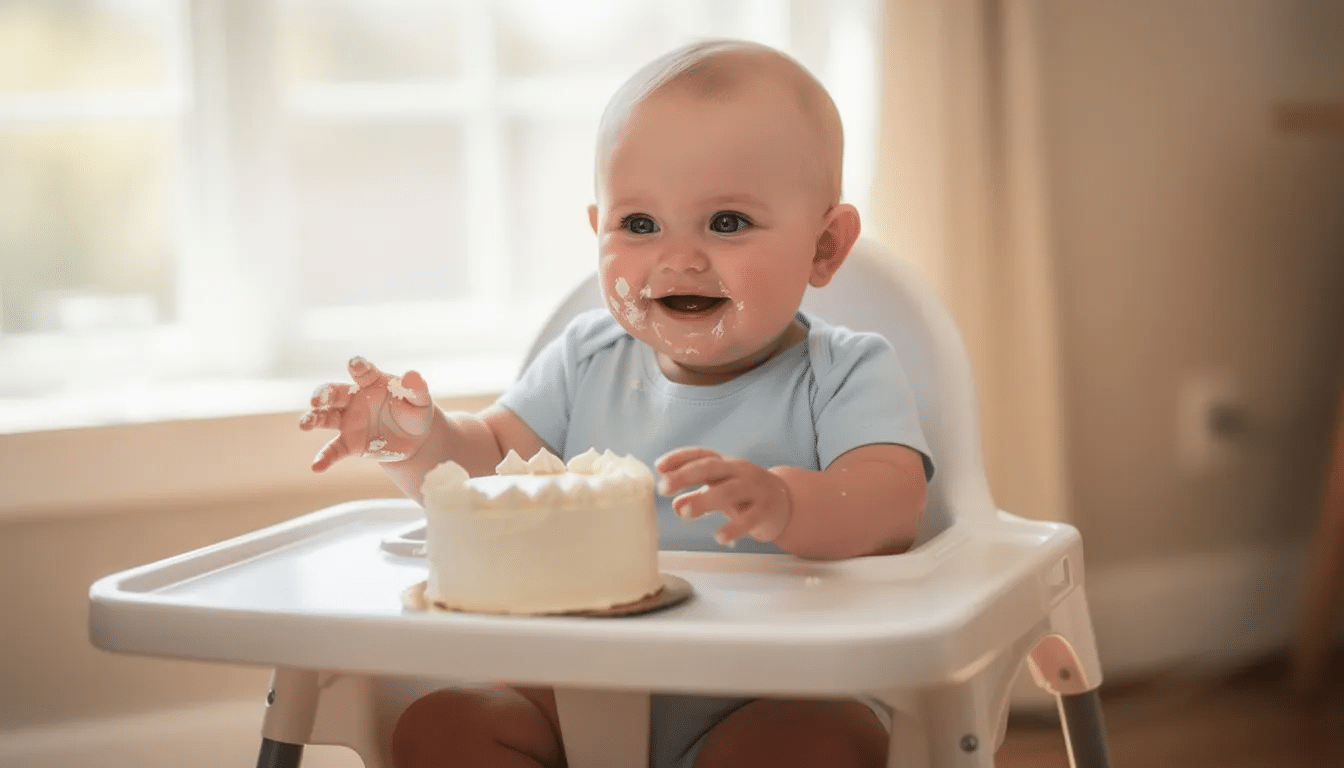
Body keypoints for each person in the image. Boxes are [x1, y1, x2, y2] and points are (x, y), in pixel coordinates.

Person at [299, 38, 932, 768]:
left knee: (822, 745)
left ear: (823, 249)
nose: (678, 257)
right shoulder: (586, 359)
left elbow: (892, 504)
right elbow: (487, 471)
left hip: (775, 686)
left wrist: (788, 503)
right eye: (639, 225)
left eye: (727, 222)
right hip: (581, 678)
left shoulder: (844, 371)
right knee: (443, 727)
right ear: (596, 228)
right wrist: (416, 440)